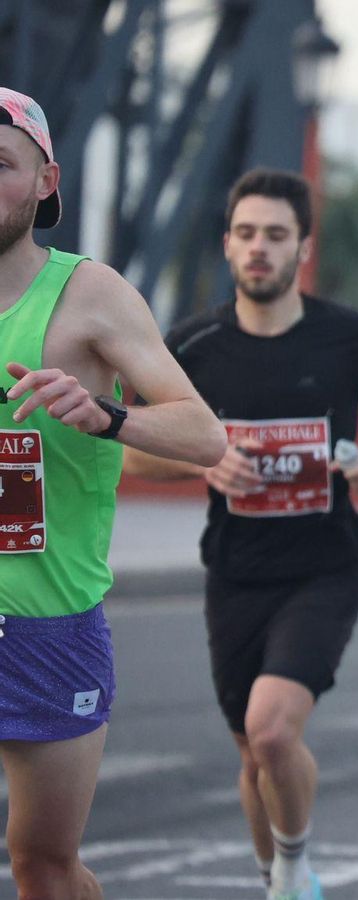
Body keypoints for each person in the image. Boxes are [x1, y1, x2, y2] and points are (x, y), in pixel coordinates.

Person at [122, 168, 358, 899]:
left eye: (275, 234)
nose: (259, 248)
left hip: (326, 565)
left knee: (271, 729)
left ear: (303, 247)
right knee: (252, 752)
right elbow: (130, 450)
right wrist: (206, 461)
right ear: (227, 245)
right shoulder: (193, 346)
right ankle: (276, 878)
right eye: (245, 234)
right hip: (235, 569)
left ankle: (295, 869)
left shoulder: (348, 335)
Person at [0, 86, 227, 900]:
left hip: (46, 623)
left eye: (1, 164)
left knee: (44, 864)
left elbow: (204, 436)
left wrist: (105, 415)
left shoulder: (88, 296)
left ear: (45, 181)